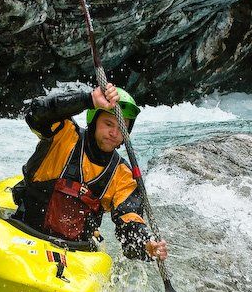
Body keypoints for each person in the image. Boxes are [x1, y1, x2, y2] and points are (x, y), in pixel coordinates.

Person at [12, 83, 167, 261]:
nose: (114, 133)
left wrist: (146, 244)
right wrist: (88, 99)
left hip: (75, 250)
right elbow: (36, 113)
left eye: (121, 128)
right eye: (108, 123)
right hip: (25, 228)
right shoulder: (64, 135)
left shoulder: (123, 175)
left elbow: (129, 220)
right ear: (93, 122)